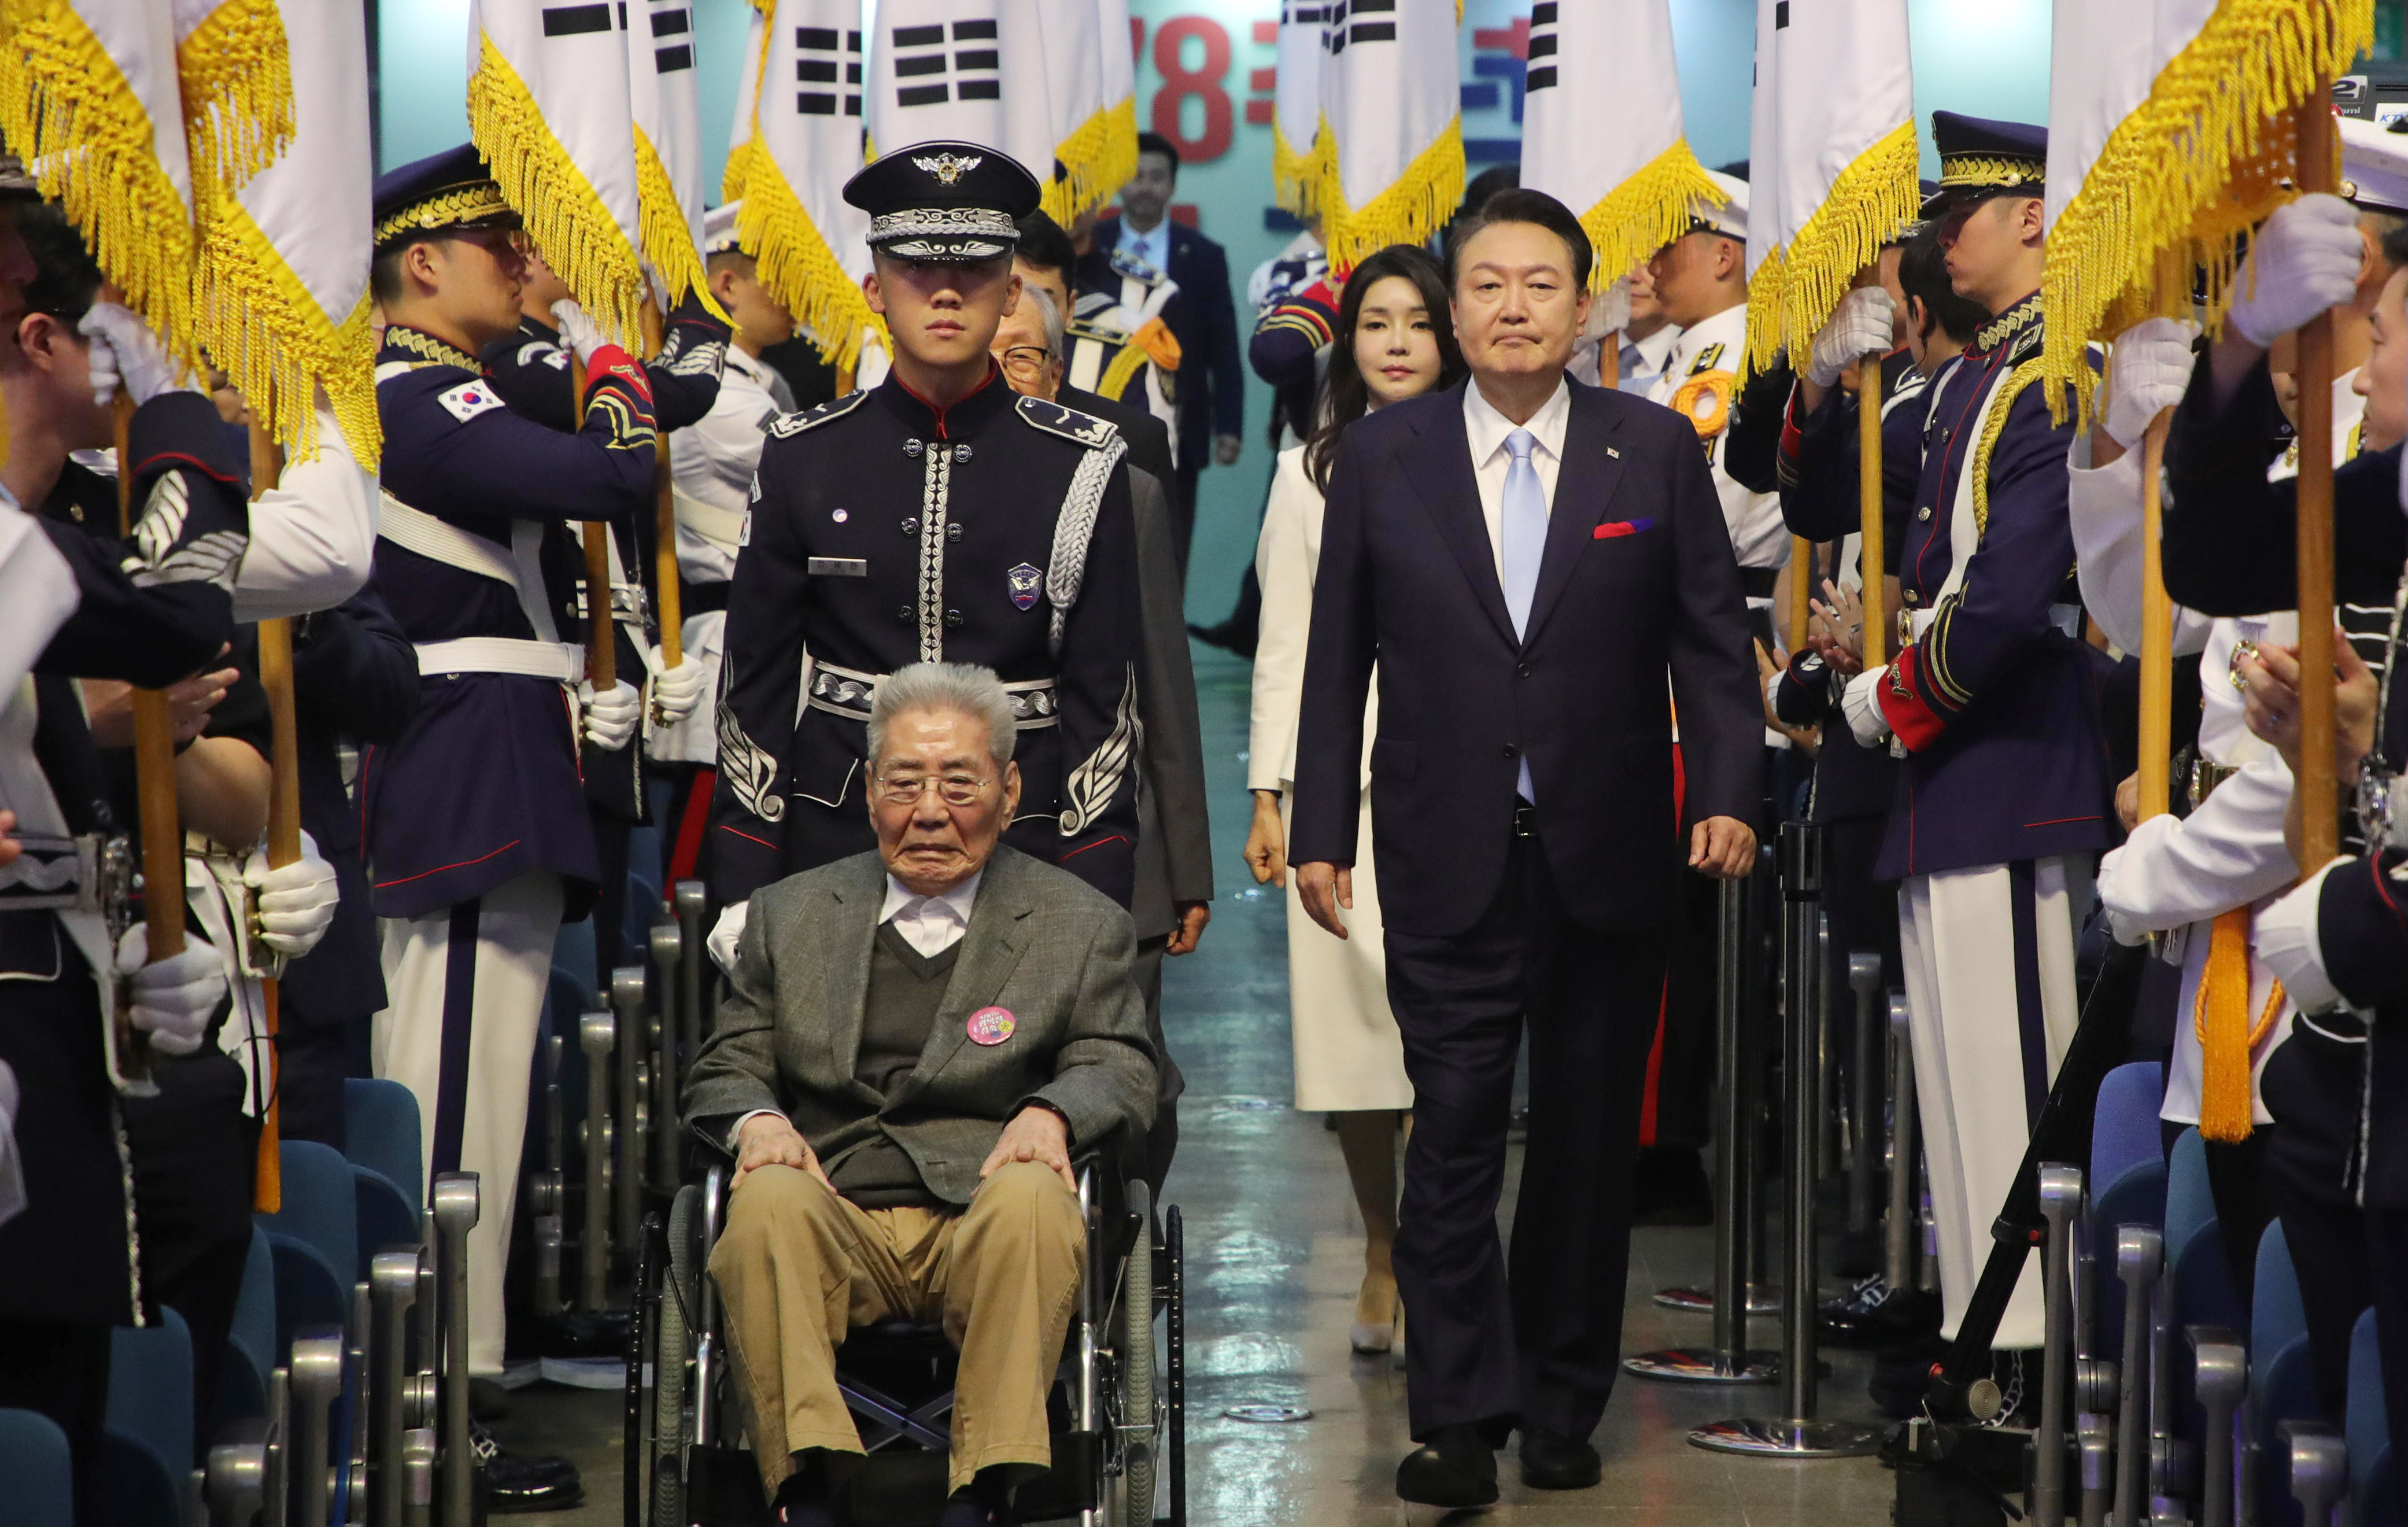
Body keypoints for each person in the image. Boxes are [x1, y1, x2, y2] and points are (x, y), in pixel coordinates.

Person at [1288, 187, 1763, 1504]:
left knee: (1584, 1141)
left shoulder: (1649, 448)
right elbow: (1336, 662)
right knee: (1446, 1135)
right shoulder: (1381, 459)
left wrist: (1724, 787)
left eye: (1537, 284)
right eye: (1485, 284)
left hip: (1607, 851)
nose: (1509, 306)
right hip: (1442, 848)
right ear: (1451, 307)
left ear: (1580, 302)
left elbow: (1709, 647)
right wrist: (1320, 829)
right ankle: (1454, 1413)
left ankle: (1560, 1397)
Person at [686, 662, 1157, 1527]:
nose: (930, 810)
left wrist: (1053, 1112)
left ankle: (983, 1493)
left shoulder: (1079, 923)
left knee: (1034, 1197)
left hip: (983, 1211)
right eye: (905, 783)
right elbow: (727, 1064)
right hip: (835, 1212)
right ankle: (810, 1487)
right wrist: (756, 1123)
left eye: (959, 783)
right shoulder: (791, 915)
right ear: (870, 792)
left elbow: (1121, 1062)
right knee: (763, 1205)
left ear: (1010, 792)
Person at [360, 143, 659, 1506]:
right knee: (445, 1110)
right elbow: (611, 480)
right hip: (461, 777)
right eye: (500, 245)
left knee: (485, 1104)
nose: (527, 268)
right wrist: (604, 388)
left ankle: (459, 1369)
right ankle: (432, 1397)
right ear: (424, 263)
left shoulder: (449, 385)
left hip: (500, 766)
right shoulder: (410, 390)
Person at [1835, 113, 2114, 1375]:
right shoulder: (1984, 376)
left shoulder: (2060, 368)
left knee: (2010, 1088)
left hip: (2008, 769)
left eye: (1967, 216)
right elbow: (1852, 504)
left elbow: (2004, 604)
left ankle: (2025, 1366)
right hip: (1955, 773)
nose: (1943, 239)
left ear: (2037, 219)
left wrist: (1885, 699)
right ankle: (1975, 1333)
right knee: (1957, 1088)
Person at [707, 143, 1144, 942]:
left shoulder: (1081, 462)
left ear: (1013, 289)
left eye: (976, 270)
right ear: (874, 288)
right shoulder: (804, 455)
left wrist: (1098, 892)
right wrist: (743, 882)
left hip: (1031, 842)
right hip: (838, 842)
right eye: (915, 269)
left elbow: (1104, 706)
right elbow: (753, 691)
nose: (946, 290)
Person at [1245, 244, 1464, 1357]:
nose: (1394, 343)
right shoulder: (1304, 474)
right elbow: (1282, 643)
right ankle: (1381, 1248)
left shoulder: (1492, 456)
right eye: (1374, 322)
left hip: (1459, 785)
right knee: (1348, 1048)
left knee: (1447, 1044)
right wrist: (1269, 794)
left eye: (1416, 323)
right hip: (1337, 795)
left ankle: (1438, 1254)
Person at [1774, 222, 1984, 1355]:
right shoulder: (1923, 399)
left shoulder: (1992, 395)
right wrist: (1816, 379)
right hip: (1891, 733)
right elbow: (1811, 501)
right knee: (1901, 1033)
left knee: (1959, 1049)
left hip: (1971, 745)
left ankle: (1951, 1285)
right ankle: (1915, 1262)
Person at [991, 283, 1209, 1191]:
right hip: (952, 839)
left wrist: (1187, 872)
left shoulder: (1127, 492)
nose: (1004, 379)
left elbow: (1163, 684)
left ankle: (1116, 1261)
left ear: (1056, 371)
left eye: (1024, 358)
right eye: (986, 358)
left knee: (1131, 1080)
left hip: (1101, 833)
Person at [479, 242, 722, 986]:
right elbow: (670, 398)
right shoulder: (513, 361)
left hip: (612, 671)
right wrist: (693, 301)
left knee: (606, 929)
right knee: (556, 963)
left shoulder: (561, 353)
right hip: (554, 674)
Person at [658, 201, 800, 892]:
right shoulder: (716, 395)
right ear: (725, 286)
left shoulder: (761, 386)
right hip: (723, 646)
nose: (797, 297)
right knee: (708, 874)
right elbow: (819, 467)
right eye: (777, 277)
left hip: (761, 641)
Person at [1096, 132, 1244, 571]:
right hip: (1099, 411)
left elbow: (1224, 345)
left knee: (1167, 551)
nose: (1145, 187)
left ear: (1173, 186)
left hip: (1181, 422)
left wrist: (1229, 426)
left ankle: (1164, 638)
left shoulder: (1203, 255)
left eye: (1157, 178)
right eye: (1137, 176)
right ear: (1122, 180)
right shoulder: (1091, 246)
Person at [1646, 169, 1789, 626]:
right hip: (1694, 604)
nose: (1652, 266)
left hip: (1718, 613)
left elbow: (1709, 514)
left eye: (1668, 247)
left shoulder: (1739, 361)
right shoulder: (1699, 354)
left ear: (1724, 255)